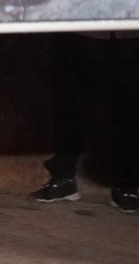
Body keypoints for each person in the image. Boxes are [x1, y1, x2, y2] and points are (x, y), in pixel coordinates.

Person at [30, 35, 139, 213]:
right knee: (70, 101)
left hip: (128, 32)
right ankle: (63, 179)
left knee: (127, 104)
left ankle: (127, 186)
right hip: (81, 29)